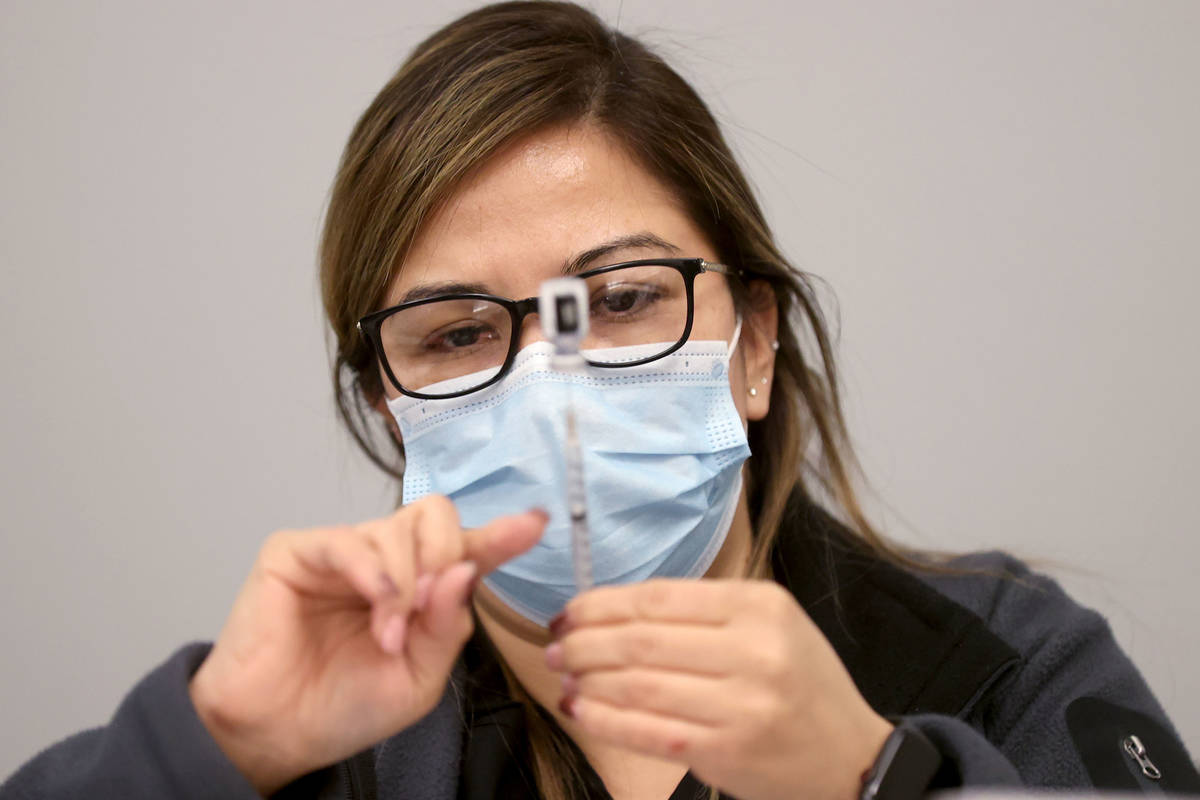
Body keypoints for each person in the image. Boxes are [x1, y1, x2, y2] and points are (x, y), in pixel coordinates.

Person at [3, 2, 1198, 799]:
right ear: (388, 409)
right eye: (461, 332)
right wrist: (221, 744)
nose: (551, 385)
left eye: (621, 299)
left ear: (754, 346)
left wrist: (878, 780)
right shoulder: (334, 746)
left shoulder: (1008, 661)